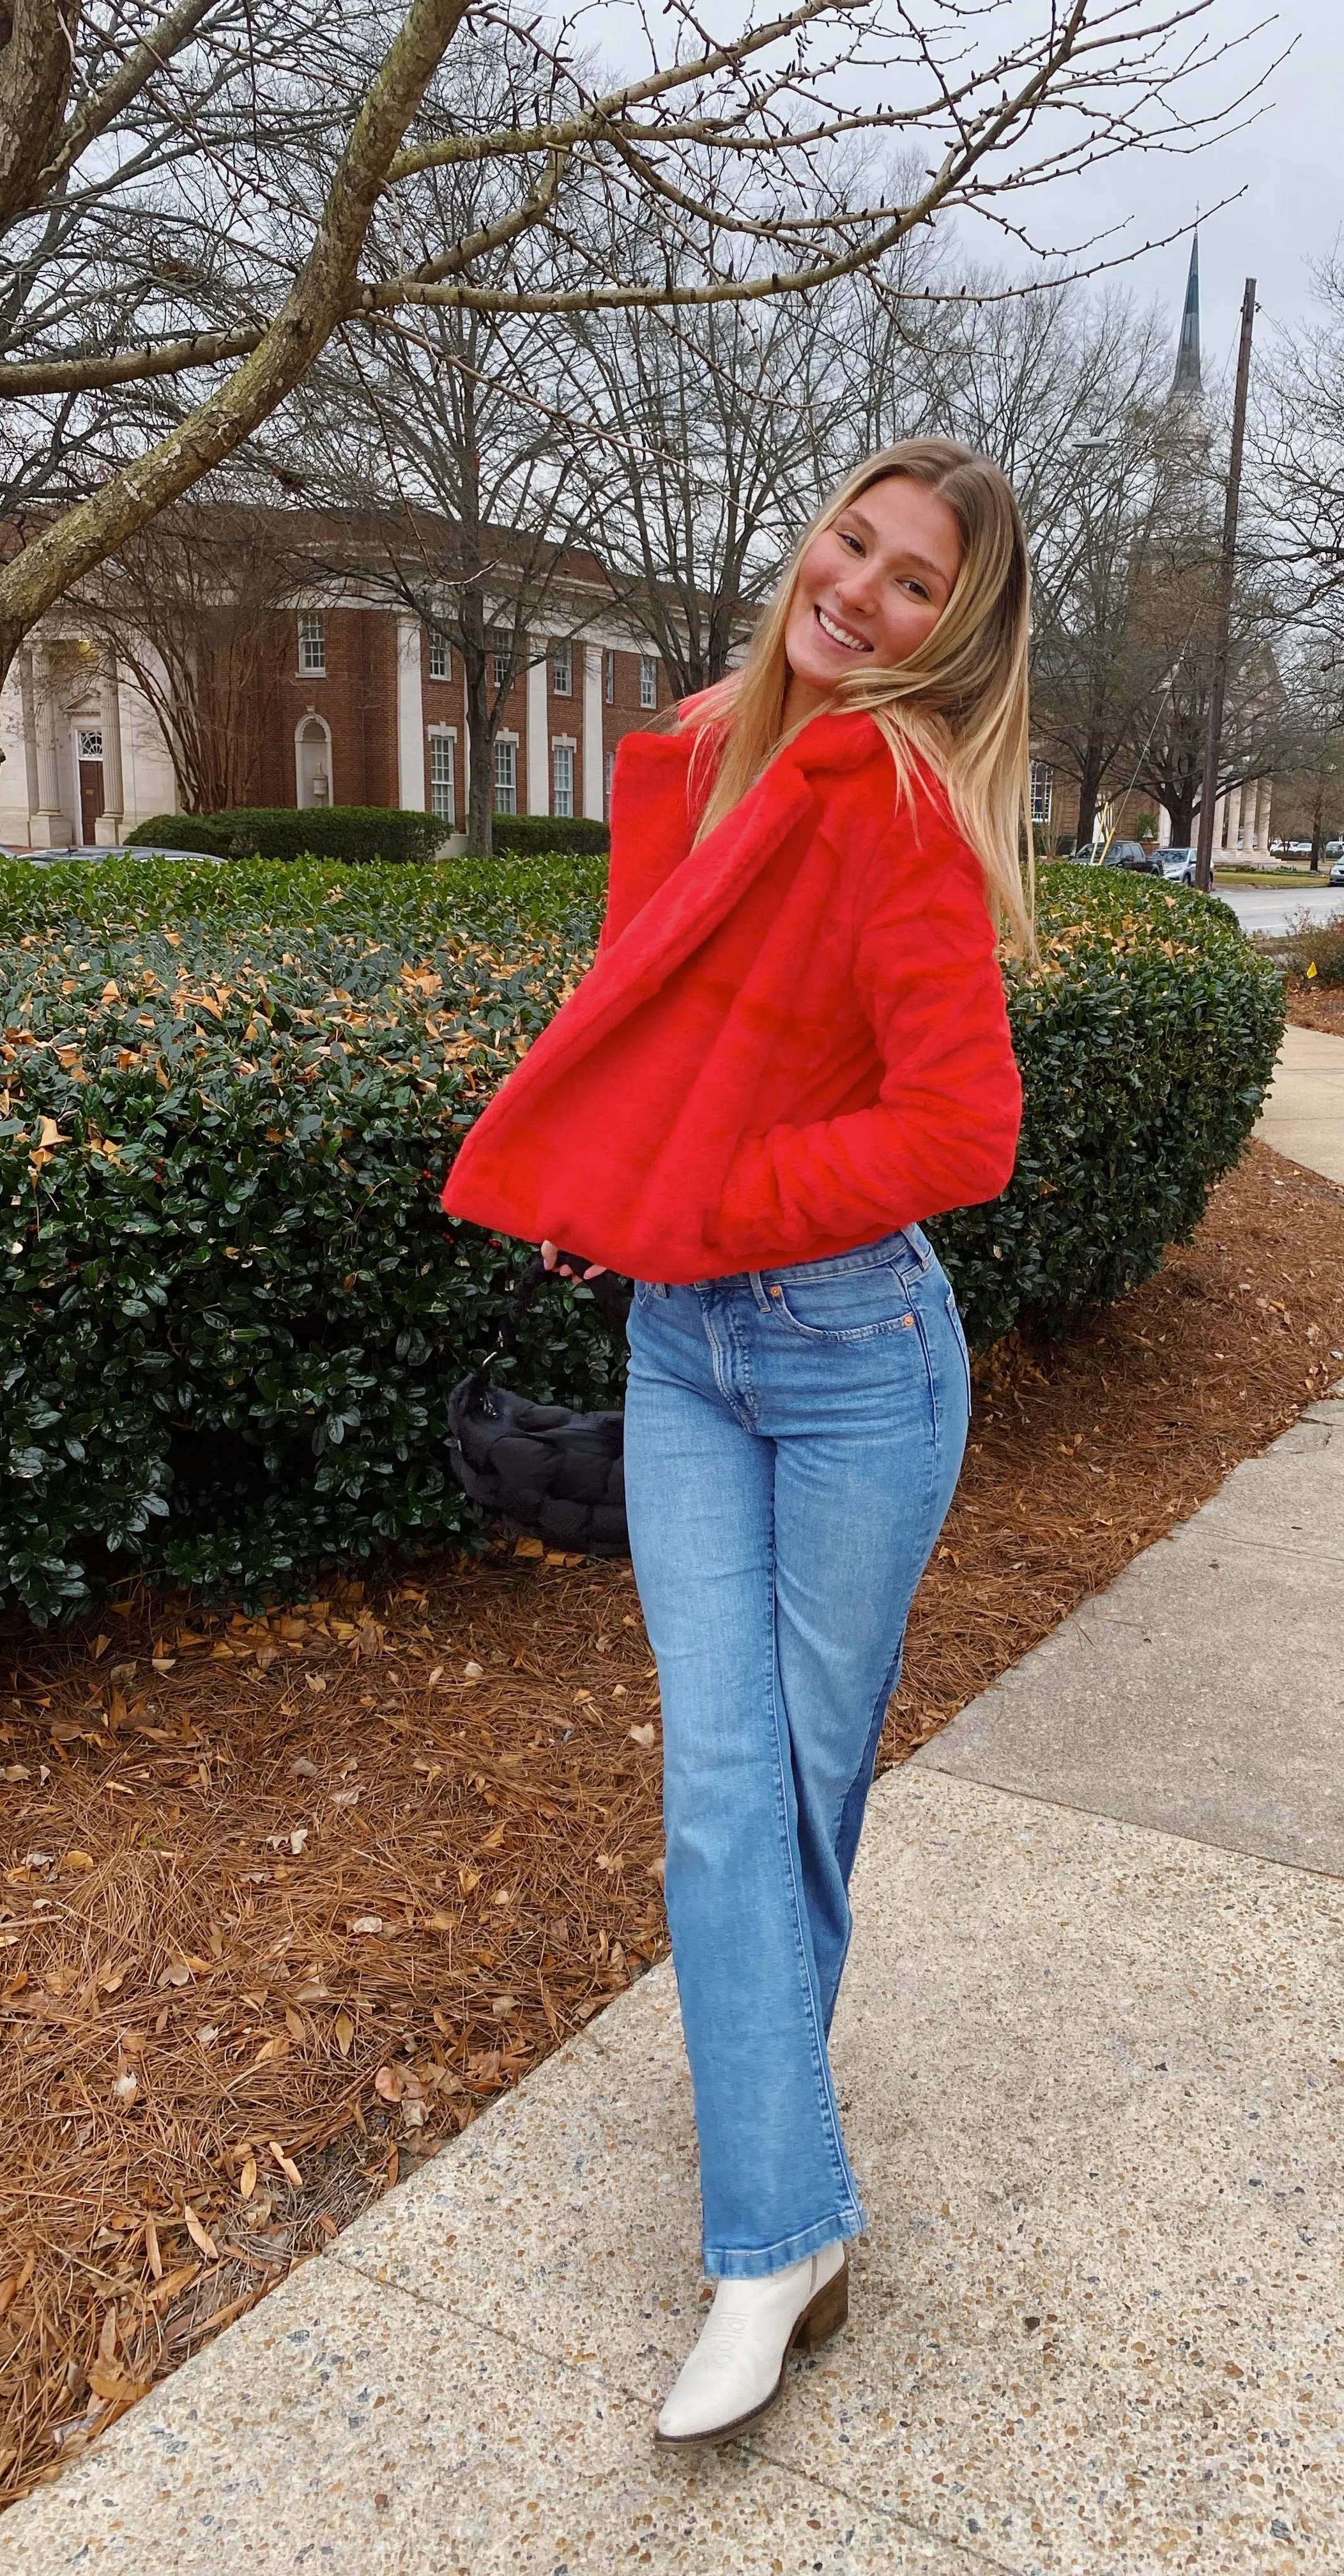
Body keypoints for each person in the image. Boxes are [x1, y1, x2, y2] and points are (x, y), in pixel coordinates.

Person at [441, 439, 1031, 2450]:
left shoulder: (902, 814)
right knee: (724, 1797)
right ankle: (784, 2226)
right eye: (851, 545)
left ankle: (771, 2231)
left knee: (787, 1799)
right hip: (686, 1346)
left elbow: (963, 1136)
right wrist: (614, 1181)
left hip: (860, 1354)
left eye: (912, 585)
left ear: (957, 635)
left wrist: (716, 1194)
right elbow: (654, 1018)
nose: (859, 593)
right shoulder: (703, 760)